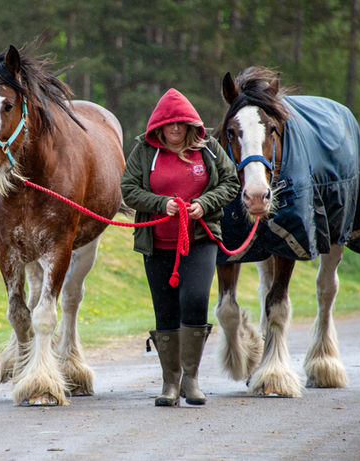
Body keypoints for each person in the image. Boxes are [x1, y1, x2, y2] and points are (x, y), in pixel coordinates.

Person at [121, 88, 239, 407]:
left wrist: (204, 203)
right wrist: (161, 204)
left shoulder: (209, 148)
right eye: (169, 124)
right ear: (159, 125)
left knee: (196, 299)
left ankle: (191, 378)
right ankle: (170, 383)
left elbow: (230, 183)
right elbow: (128, 189)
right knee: (166, 310)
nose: (175, 129)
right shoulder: (144, 151)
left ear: (190, 124)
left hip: (200, 240)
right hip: (157, 244)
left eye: (180, 123)